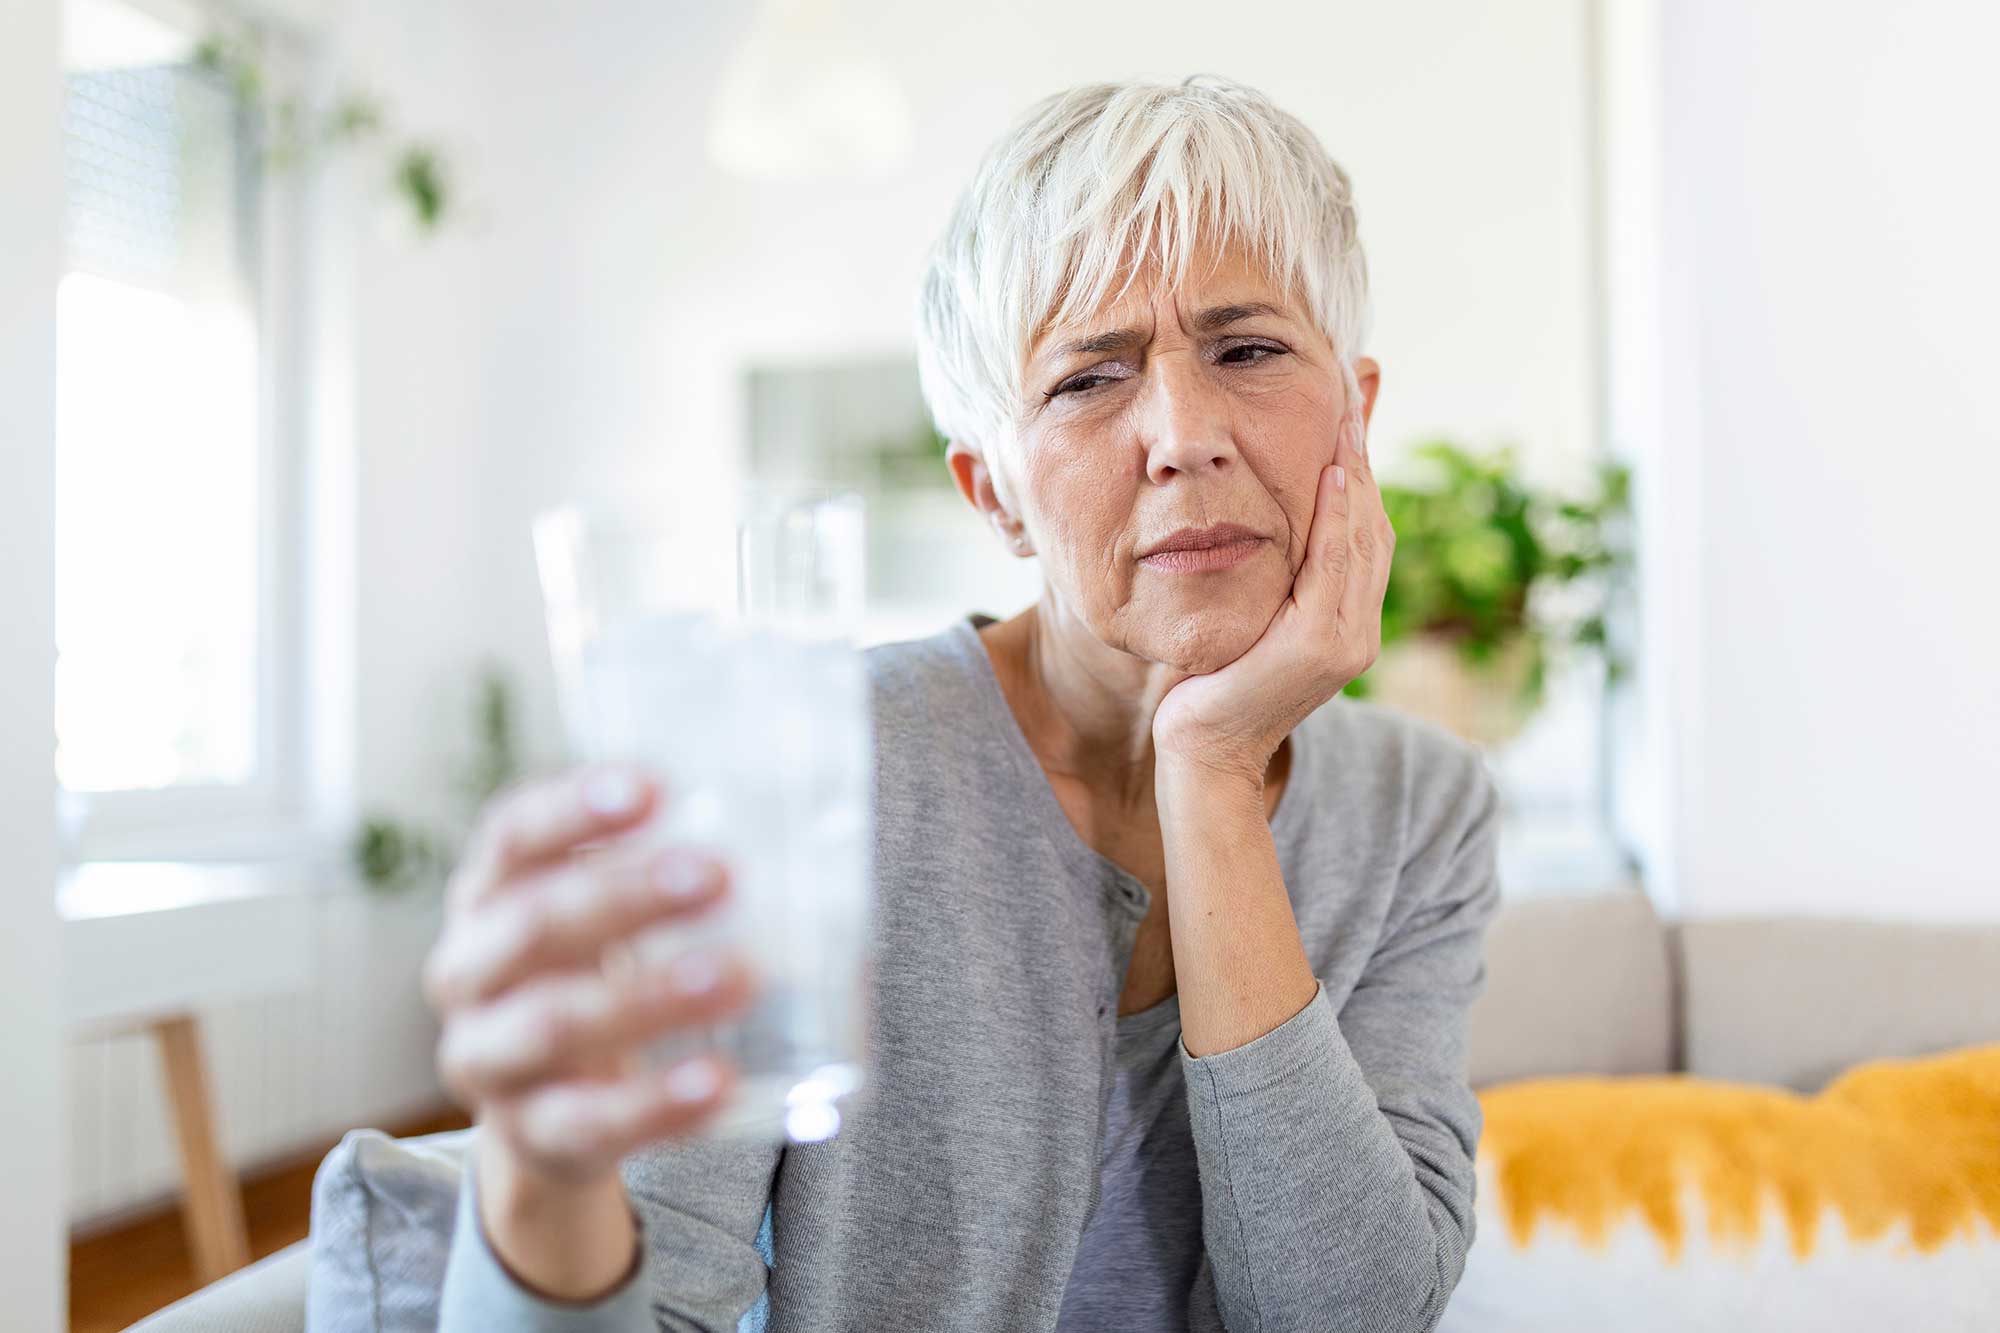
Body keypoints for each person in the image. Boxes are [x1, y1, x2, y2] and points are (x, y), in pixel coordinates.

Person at [404, 74, 1503, 1332]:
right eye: (1089, 380)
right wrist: (544, 1181)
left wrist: (1208, 765)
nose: (1180, 433)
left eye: (1246, 349)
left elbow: (1348, 1316)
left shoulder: (1425, 808)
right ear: (994, 498)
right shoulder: (807, 767)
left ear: (1353, 419)